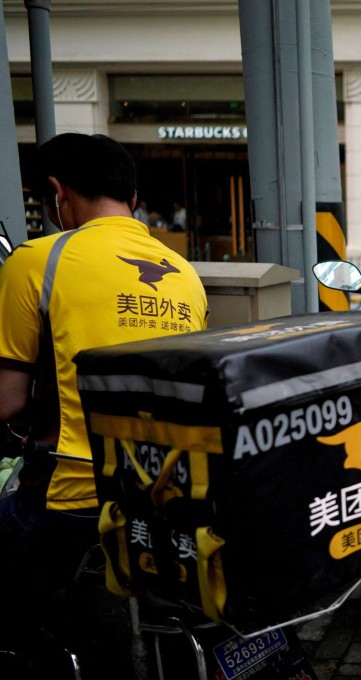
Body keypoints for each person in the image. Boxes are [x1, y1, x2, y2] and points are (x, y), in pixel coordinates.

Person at [0, 133, 208, 671]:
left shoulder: (37, 260)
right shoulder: (185, 274)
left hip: (73, 498)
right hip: (166, 494)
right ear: (133, 197)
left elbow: (7, 400)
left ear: (56, 192)